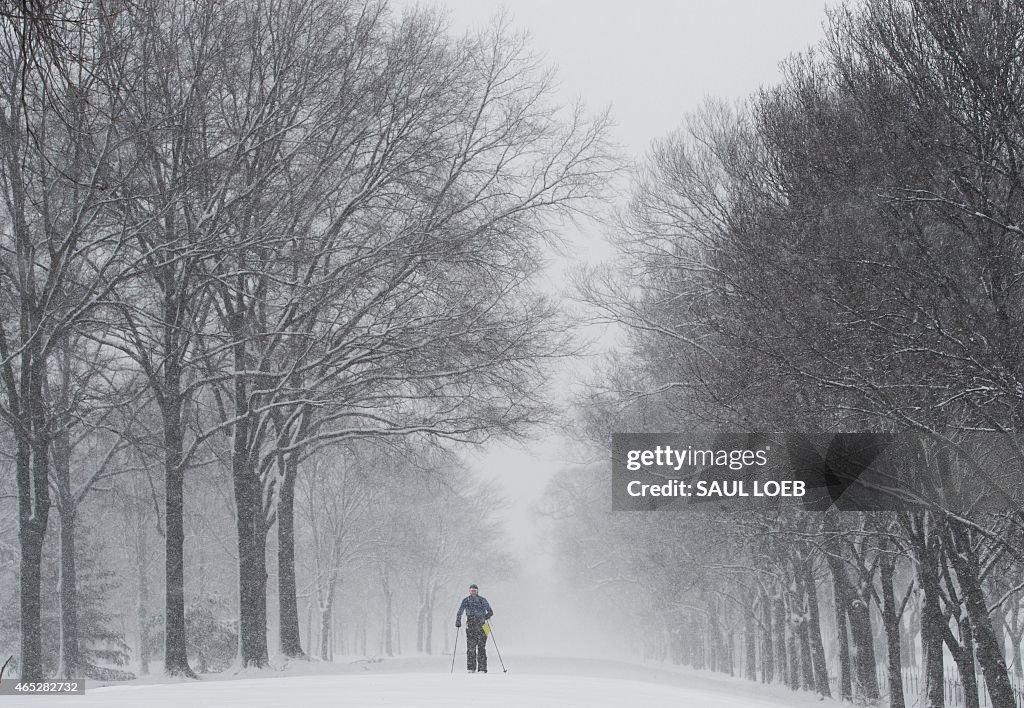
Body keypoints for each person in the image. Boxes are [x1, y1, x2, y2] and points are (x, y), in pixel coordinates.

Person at [455, 583, 493, 673]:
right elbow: (459, 611)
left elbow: (490, 611)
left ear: (477, 591)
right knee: (471, 648)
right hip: (471, 625)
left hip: (483, 626)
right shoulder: (466, 600)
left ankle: (482, 668)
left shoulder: (482, 600)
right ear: (469, 591)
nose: (473, 592)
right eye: (471, 590)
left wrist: (486, 617)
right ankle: (471, 668)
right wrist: (458, 621)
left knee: (481, 648)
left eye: (475, 590)